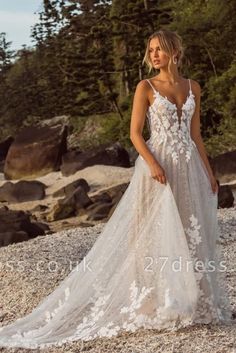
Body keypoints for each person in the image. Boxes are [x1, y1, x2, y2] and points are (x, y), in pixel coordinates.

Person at [0, 29, 234, 349]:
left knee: (189, 229)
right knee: (152, 232)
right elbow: (136, 134)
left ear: (175, 52)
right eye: (150, 49)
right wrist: (152, 164)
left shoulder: (193, 87)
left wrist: (209, 173)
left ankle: (194, 300)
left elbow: (196, 137)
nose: (153, 55)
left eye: (159, 49)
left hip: (189, 166)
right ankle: (158, 301)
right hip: (158, 165)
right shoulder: (145, 87)